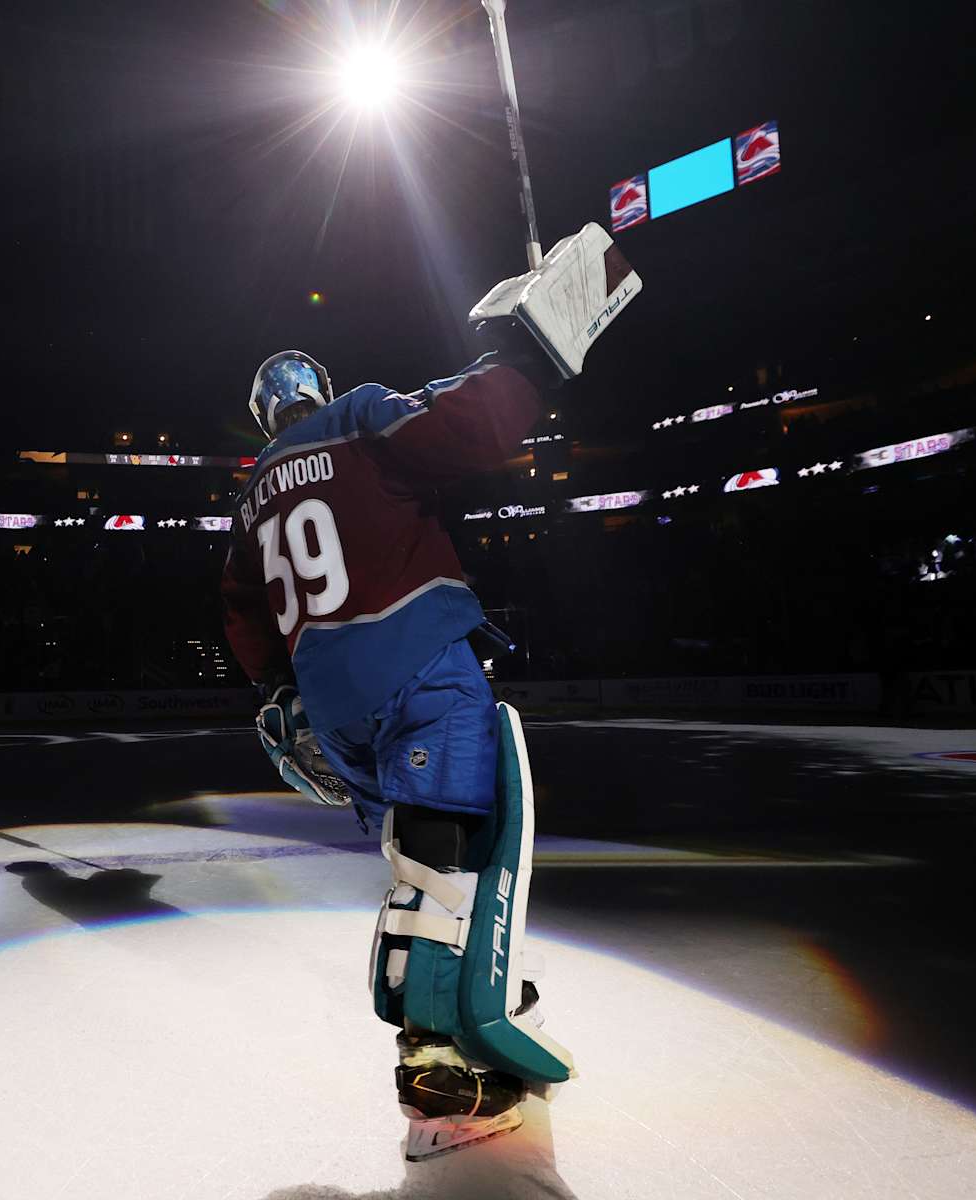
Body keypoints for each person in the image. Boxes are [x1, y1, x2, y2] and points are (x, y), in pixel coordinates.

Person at [221, 224, 639, 1160]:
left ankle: (474, 989)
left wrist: (286, 695)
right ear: (315, 394)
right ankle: (436, 1059)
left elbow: (246, 621)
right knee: (445, 860)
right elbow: (467, 422)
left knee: (426, 856)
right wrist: (531, 352)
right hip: (409, 654)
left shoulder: (251, 499)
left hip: (330, 697)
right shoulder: (358, 418)